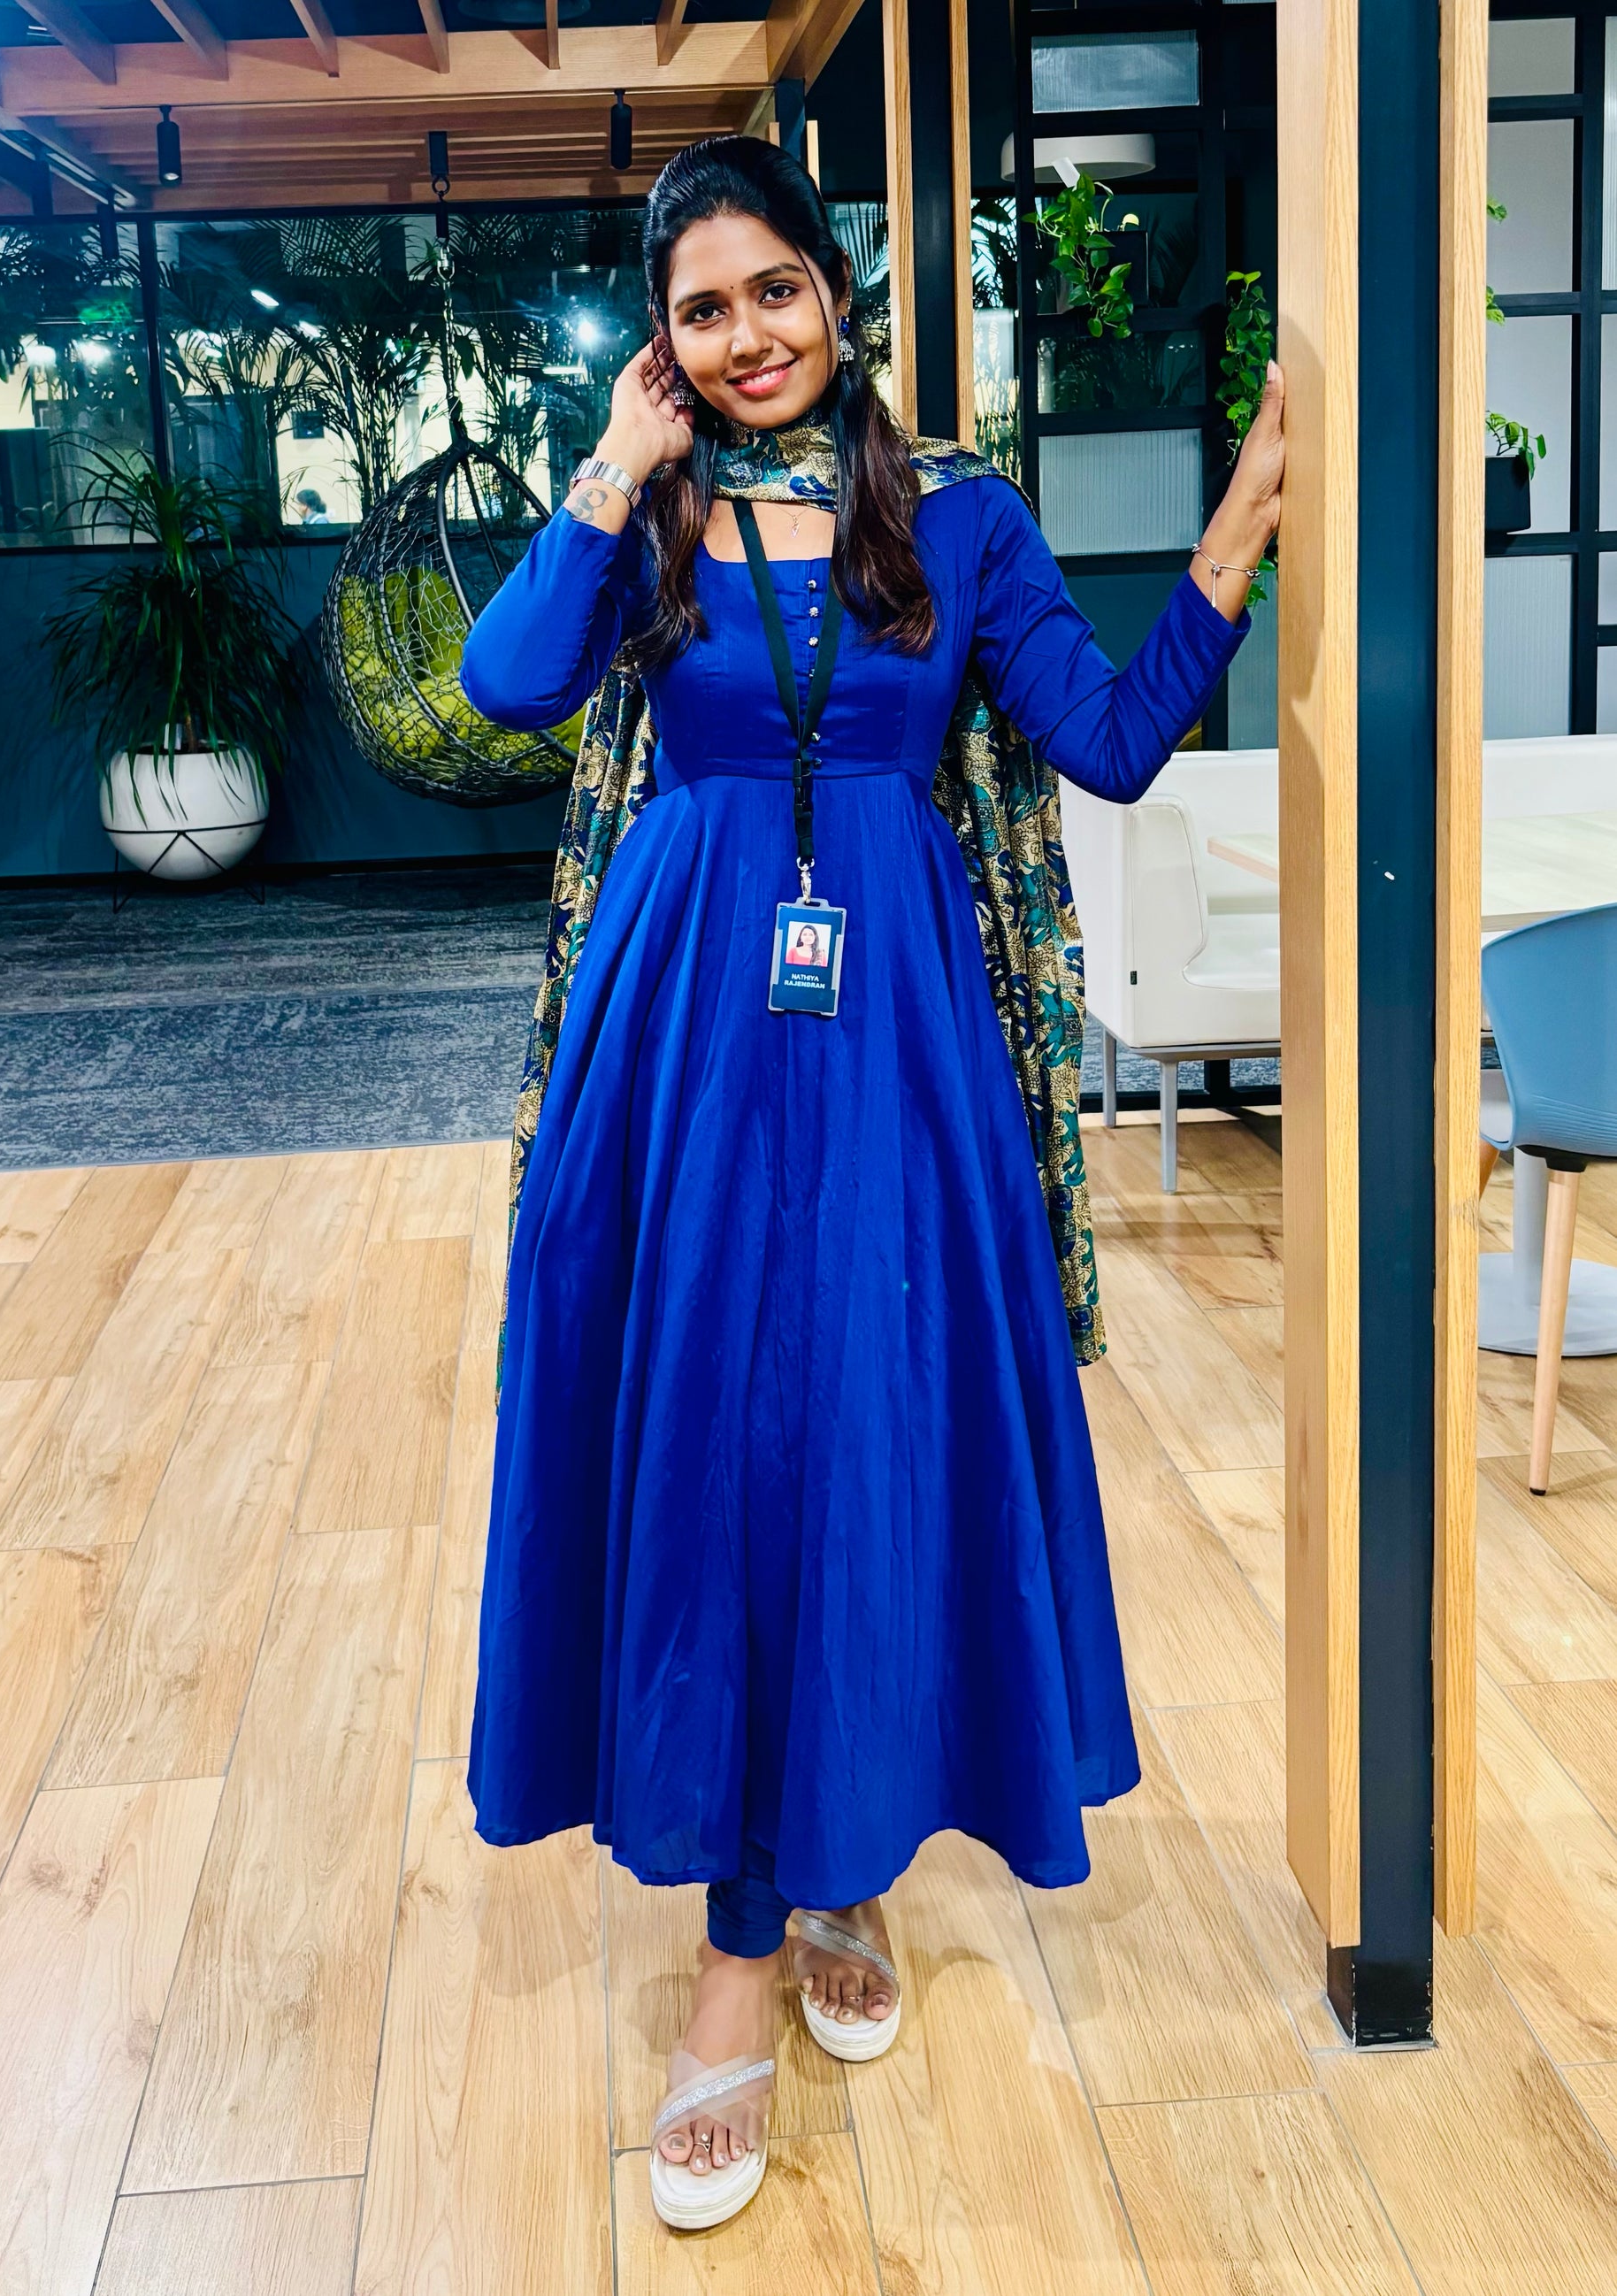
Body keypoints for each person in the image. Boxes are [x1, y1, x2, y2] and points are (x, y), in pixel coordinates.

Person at [461, 134, 1284, 2233]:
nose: (747, 337)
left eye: (774, 290)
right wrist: (607, 466)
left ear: (836, 291)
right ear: (663, 343)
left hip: (900, 1030)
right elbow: (507, 684)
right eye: (701, 311)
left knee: (858, 1433)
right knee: (714, 1446)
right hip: (683, 1032)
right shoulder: (651, 510)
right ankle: (743, 1938)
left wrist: (1240, 529)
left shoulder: (965, 519)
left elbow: (1106, 740)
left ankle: (838, 1858)